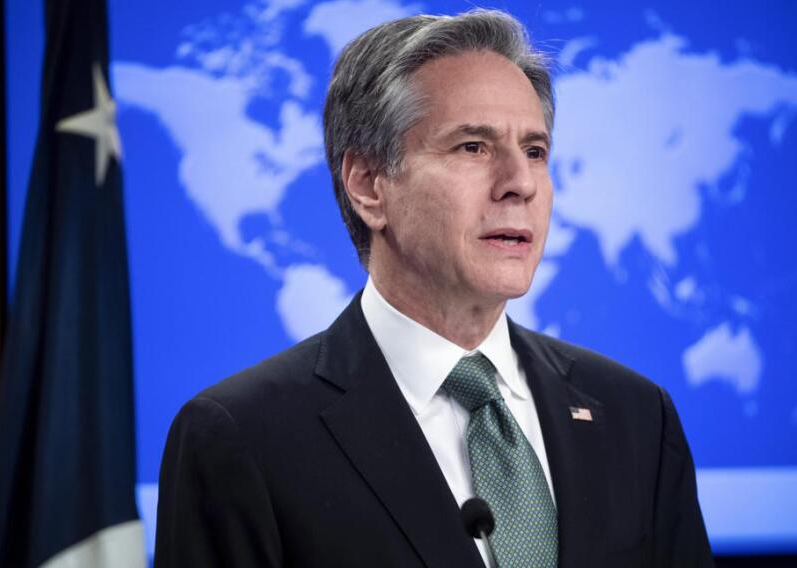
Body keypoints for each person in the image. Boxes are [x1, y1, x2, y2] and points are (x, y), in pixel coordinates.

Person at [154, 9, 714, 568]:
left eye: (535, 152)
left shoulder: (636, 416)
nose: (519, 183)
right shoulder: (241, 438)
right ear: (369, 186)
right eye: (473, 147)